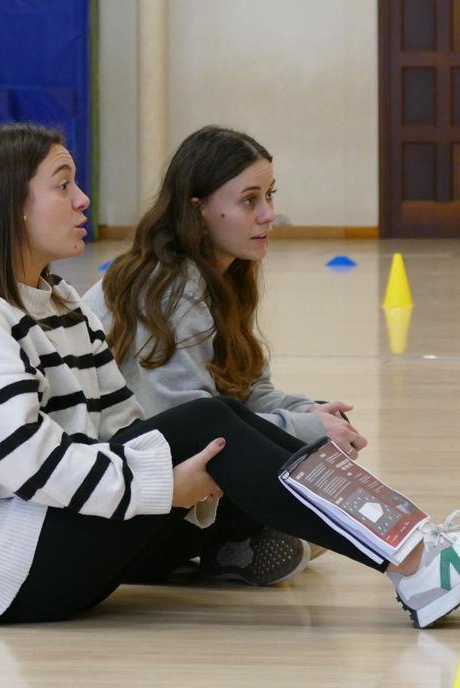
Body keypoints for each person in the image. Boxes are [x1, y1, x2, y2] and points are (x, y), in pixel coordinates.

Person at [0, 122, 460, 630]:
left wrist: (185, 477)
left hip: (52, 534)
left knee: (223, 421)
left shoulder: (58, 301)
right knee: (212, 424)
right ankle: (416, 561)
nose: (83, 199)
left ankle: (416, 541)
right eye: (63, 185)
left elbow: (125, 424)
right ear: (10, 206)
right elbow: (34, 468)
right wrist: (162, 486)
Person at [83, 126, 367, 586]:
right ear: (198, 210)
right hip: (117, 509)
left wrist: (311, 414)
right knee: (298, 459)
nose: (269, 215)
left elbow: (250, 393)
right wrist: (307, 432)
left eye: (270, 196)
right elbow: (189, 425)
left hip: (166, 488)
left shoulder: (222, 279)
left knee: (319, 439)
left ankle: (235, 544)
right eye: (249, 201)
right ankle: (404, 547)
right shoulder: (167, 287)